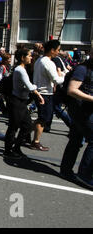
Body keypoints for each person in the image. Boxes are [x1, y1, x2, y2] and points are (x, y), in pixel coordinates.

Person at [60, 47, 93, 188]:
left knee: (75, 139)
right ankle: (84, 175)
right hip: (80, 109)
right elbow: (72, 90)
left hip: (84, 109)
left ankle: (66, 170)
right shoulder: (82, 69)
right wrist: (91, 98)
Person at [4, 48, 45, 159]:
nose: (31, 57)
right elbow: (30, 86)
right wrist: (39, 87)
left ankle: (16, 147)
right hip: (16, 101)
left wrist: (38, 94)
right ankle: (8, 150)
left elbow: (29, 86)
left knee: (27, 126)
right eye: (29, 55)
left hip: (22, 101)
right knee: (13, 126)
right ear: (22, 57)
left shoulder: (23, 69)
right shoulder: (19, 70)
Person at [31, 40, 64, 151]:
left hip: (41, 92)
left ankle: (26, 132)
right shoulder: (48, 62)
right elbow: (56, 79)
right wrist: (65, 76)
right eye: (58, 50)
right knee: (43, 119)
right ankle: (35, 141)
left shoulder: (39, 60)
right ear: (52, 50)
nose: (58, 53)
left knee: (43, 117)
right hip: (44, 94)